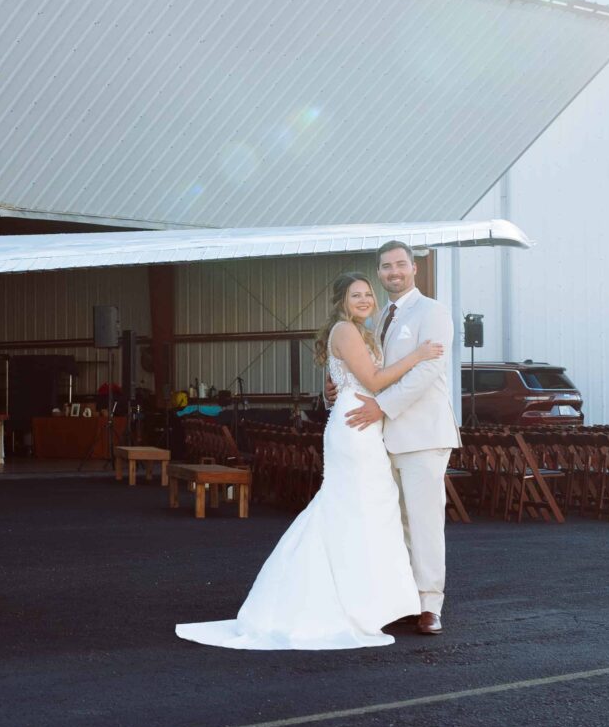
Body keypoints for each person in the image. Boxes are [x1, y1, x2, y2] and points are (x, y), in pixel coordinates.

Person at [176, 274, 445, 650]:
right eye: (357, 295)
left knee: (361, 510)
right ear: (342, 301)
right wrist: (418, 356)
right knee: (359, 508)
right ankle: (350, 600)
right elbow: (374, 378)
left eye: (369, 293)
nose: (366, 300)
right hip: (357, 427)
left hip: (362, 421)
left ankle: (368, 599)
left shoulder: (357, 332)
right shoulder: (347, 332)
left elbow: (348, 379)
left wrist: (332, 388)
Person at [340, 241, 456, 635]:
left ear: (414, 268)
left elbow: (427, 373)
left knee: (424, 521)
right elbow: (374, 372)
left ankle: (430, 605)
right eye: (386, 267)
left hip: (422, 434)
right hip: (382, 437)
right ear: (379, 272)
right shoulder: (377, 319)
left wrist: (382, 407)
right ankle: (403, 598)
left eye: (400, 265)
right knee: (396, 522)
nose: (393, 272)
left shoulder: (433, 312)